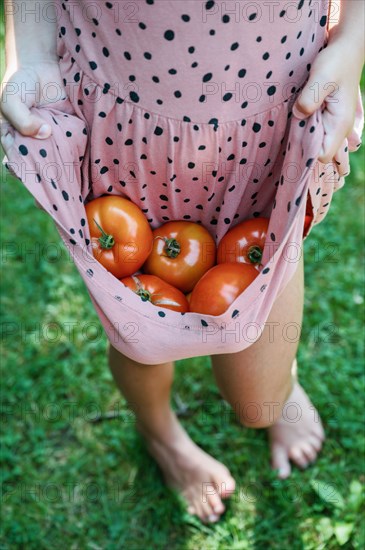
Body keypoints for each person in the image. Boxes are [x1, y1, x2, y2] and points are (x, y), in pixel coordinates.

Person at [1, 0, 364, 524]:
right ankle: (161, 434)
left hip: (270, 127)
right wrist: (30, 53)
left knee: (259, 392)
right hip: (125, 139)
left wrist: (351, 43)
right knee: (141, 336)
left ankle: (278, 382)